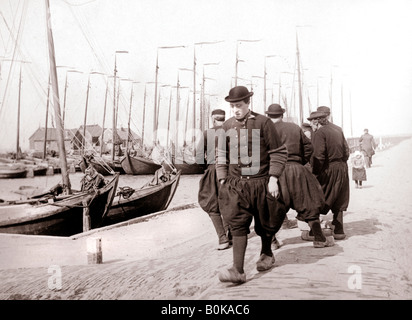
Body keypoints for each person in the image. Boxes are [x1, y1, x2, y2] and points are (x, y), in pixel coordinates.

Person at [215, 86, 288, 284]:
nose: (235, 109)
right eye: (232, 106)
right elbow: (221, 155)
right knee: (237, 224)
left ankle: (266, 253)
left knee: (265, 221)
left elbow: (278, 152)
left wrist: (273, 178)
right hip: (236, 185)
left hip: (261, 182)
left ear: (248, 103)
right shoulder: (227, 125)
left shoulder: (263, 123)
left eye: (239, 105)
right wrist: (222, 179)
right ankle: (238, 270)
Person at [266, 104, 331, 248]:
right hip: (297, 169)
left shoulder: (265, 129)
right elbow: (309, 148)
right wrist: (300, 162)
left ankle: (272, 242)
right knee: (308, 202)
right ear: (282, 115)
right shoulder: (294, 127)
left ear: (268, 116)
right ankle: (319, 238)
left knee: (273, 207)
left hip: (275, 173)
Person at [309, 110, 350, 240]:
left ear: (316, 122)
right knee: (339, 197)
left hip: (328, 168)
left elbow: (319, 156)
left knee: (319, 197)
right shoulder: (338, 129)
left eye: (312, 122)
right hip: (342, 167)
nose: (311, 126)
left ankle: (314, 232)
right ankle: (339, 230)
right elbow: (346, 151)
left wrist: (314, 173)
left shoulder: (319, 132)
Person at [198, 109, 231, 250]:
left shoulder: (207, 133)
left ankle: (222, 238)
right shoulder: (231, 131)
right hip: (231, 170)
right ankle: (232, 236)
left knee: (211, 204)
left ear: (213, 119)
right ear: (224, 118)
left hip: (213, 170)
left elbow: (199, 157)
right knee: (230, 203)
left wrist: (206, 168)